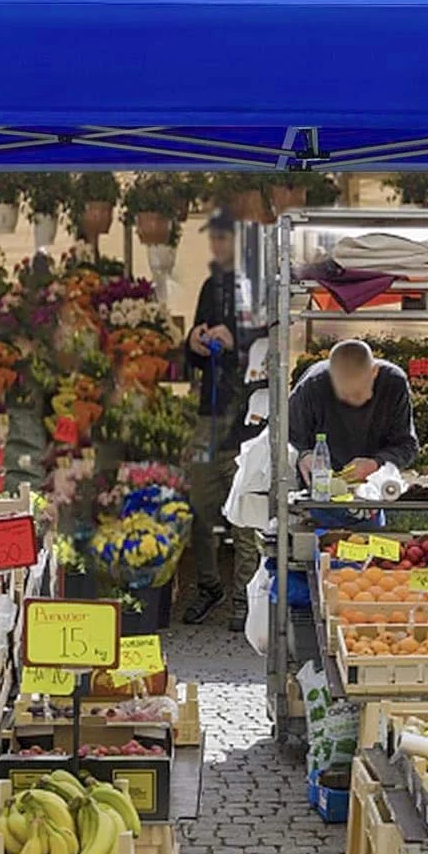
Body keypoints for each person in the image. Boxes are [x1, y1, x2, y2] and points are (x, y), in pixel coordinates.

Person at [181, 213, 259, 629]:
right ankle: (208, 585)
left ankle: (244, 598)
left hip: (249, 415)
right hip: (209, 414)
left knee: (244, 511)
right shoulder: (212, 286)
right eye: (213, 238)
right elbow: (195, 346)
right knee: (200, 505)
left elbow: (277, 341)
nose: (216, 246)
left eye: (223, 238)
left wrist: (239, 341)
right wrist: (194, 340)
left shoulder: (261, 287)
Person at [288, 339, 418, 485]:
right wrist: (304, 455)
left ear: (374, 372)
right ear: (331, 376)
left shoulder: (393, 383)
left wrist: (376, 463)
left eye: (358, 392)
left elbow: (406, 445)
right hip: (321, 486)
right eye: (343, 393)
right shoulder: (312, 385)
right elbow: (286, 436)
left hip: (373, 485)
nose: (352, 400)